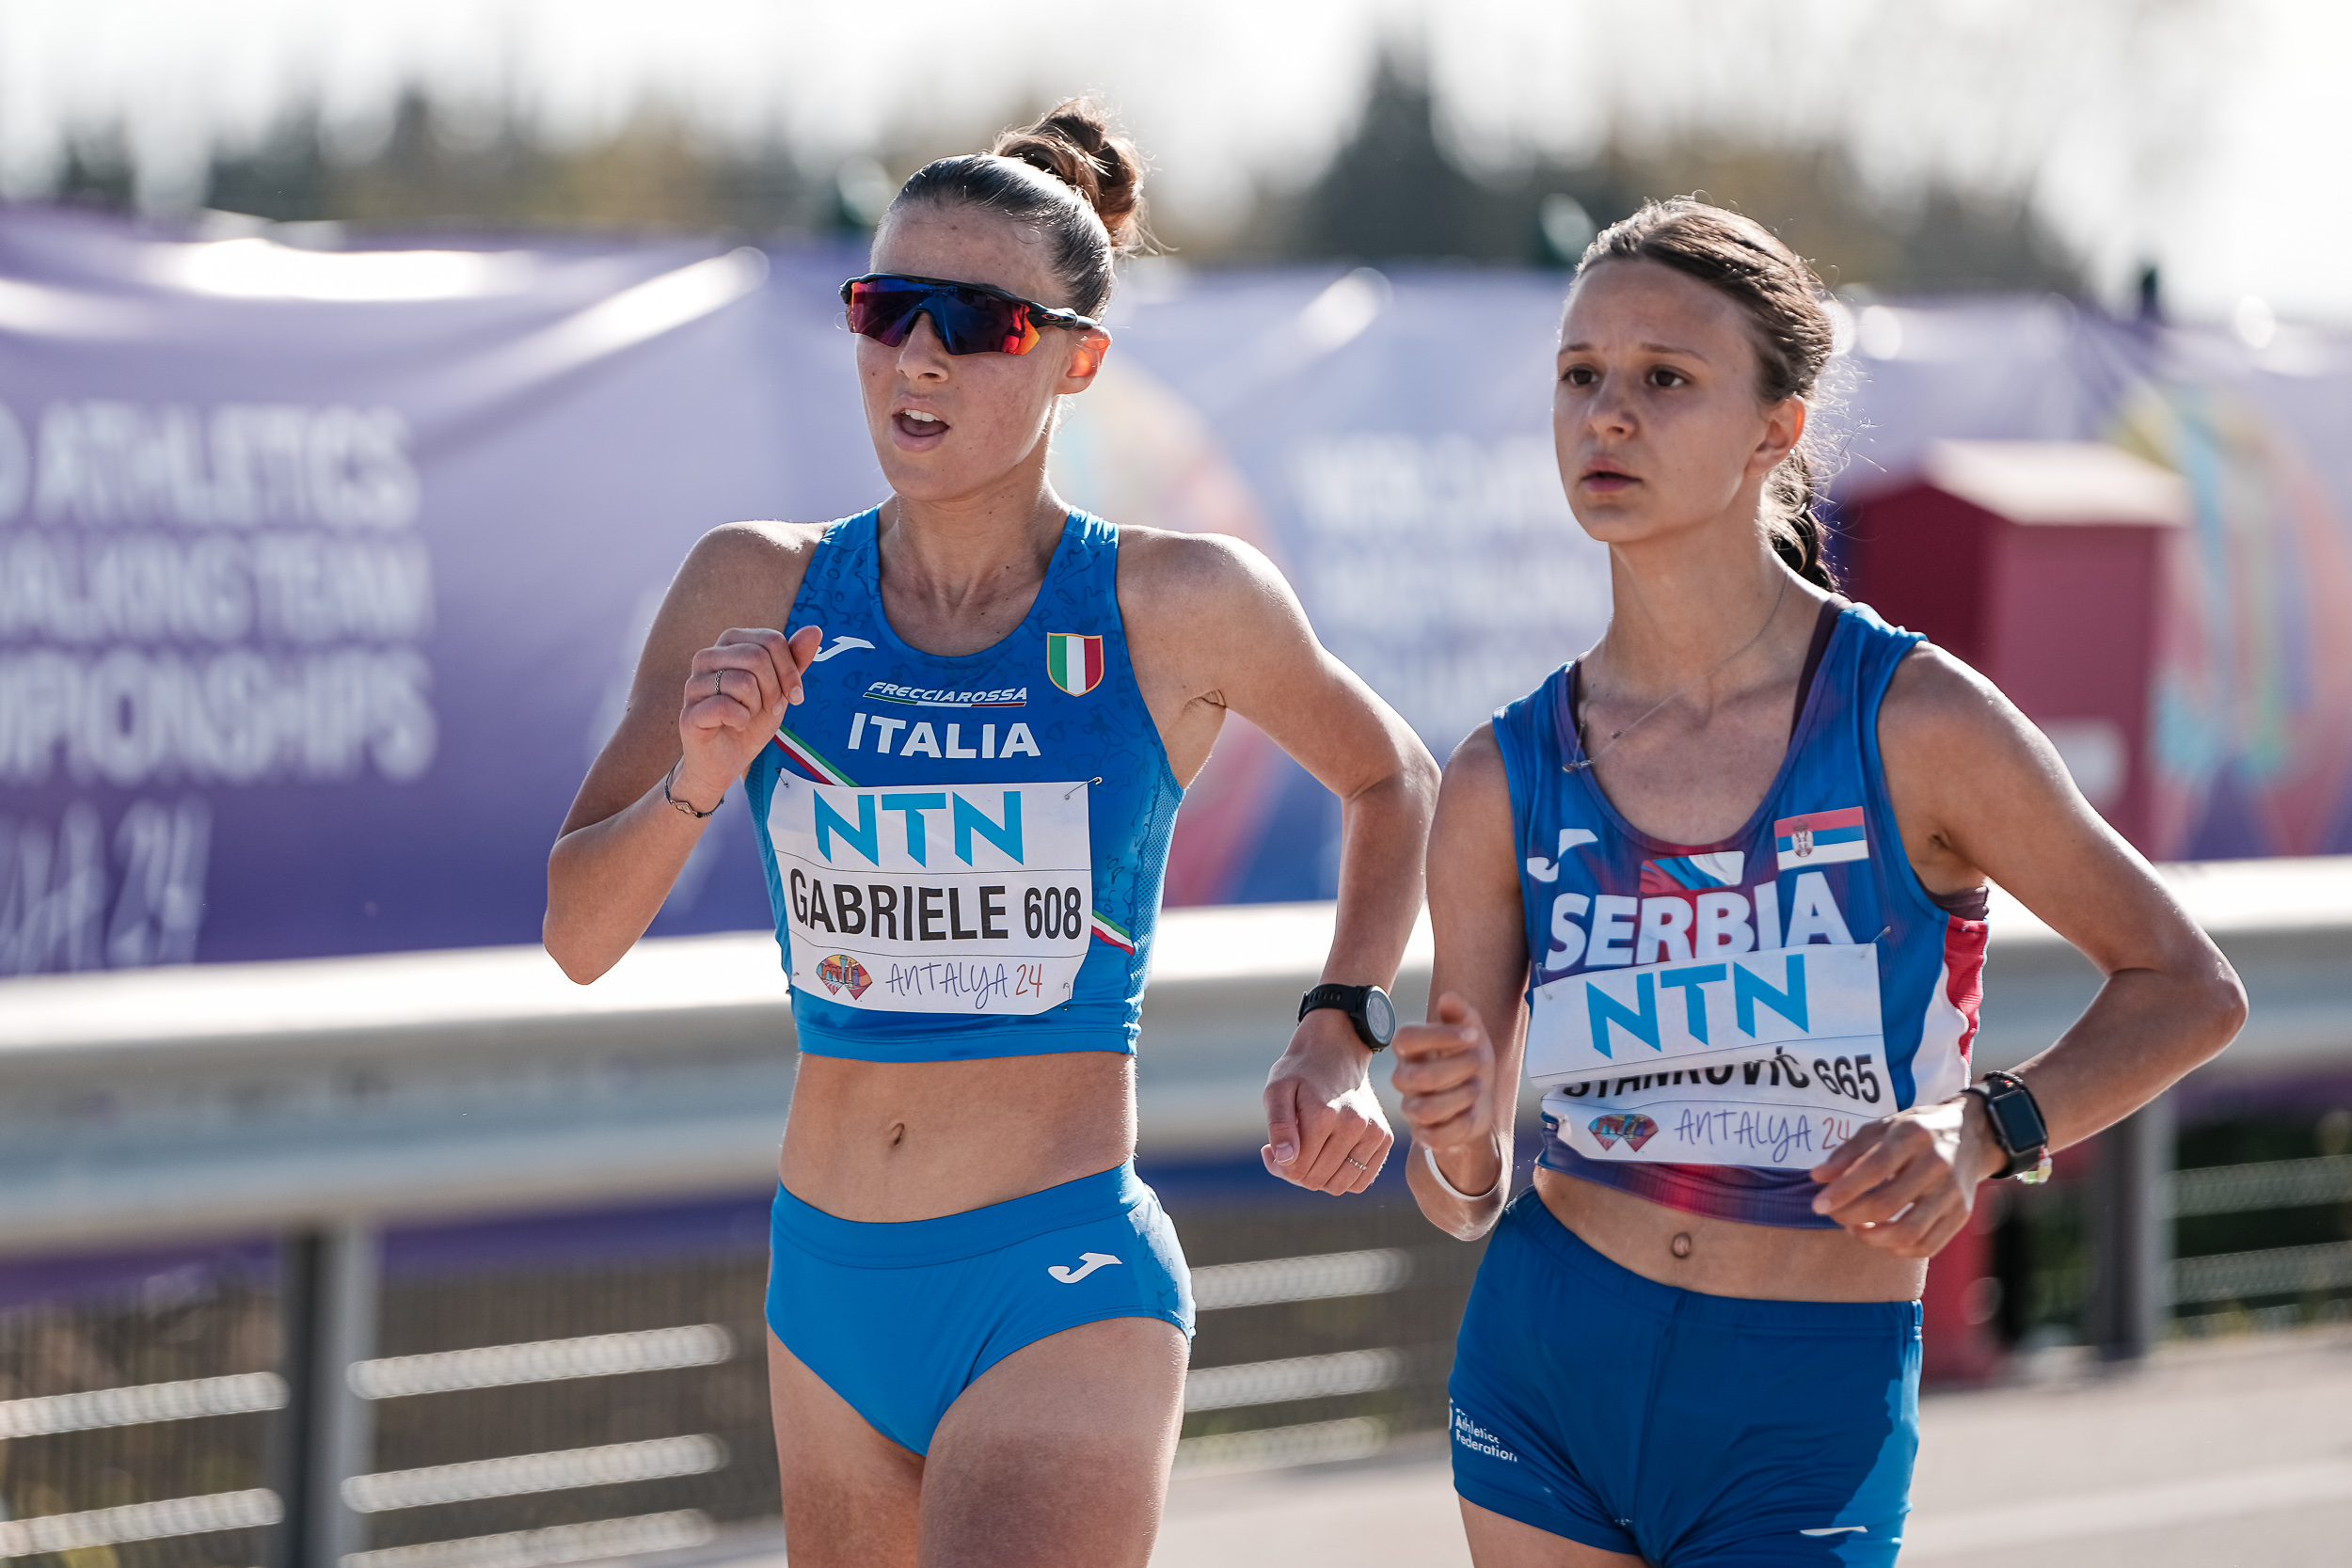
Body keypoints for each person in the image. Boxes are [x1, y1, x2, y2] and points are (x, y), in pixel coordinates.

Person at [543, 99, 1436, 1567]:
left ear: (1080, 360)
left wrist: (1341, 1028)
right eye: (885, 308)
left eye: (976, 323)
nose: (919, 356)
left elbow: (1395, 775)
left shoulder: (1176, 601)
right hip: (827, 1286)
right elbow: (580, 937)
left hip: (1056, 1283)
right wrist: (704, 774)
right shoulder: (755, 586)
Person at [1388, 198, 2247, 1567]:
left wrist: (1985, 1129)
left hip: (1803, 1391)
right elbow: (1464, 1191)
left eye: (1667, 378)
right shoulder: (1505, 772)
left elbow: (2190, 987)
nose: (1609, 414)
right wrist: (1453, 1136)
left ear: (1775, 430)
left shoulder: (1914, 722)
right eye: (1581, 374)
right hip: (1546, 1365)